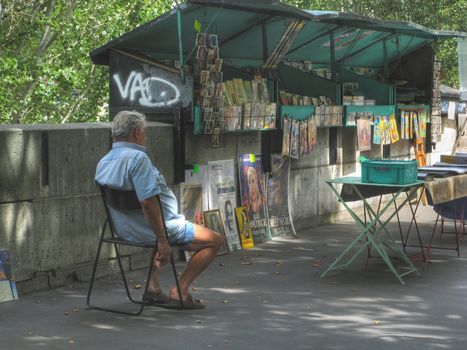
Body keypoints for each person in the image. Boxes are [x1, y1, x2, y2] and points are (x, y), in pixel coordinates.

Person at [95, 110, 224, 309]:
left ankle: (152, 287)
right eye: (144, 132)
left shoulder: (103, 162)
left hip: (124, 229)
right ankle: (179, 291)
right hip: (158, 228)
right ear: (137, 132)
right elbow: (148, 203)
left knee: (154, 222)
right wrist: (163, 240)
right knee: (215, 240)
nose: (145, 137)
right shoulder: (138, 159)